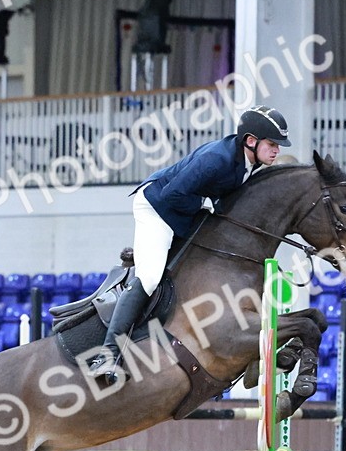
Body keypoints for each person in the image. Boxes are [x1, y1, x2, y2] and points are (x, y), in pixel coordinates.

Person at [85, 105, 291, 384]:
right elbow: (173, 195)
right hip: (158, 207)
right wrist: (207, 204)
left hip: (184, 210)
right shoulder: (216, 159)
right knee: (149, 278)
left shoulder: (251, 162)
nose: (276, 150)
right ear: (251, 141)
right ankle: (105, 355)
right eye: (272, 144)